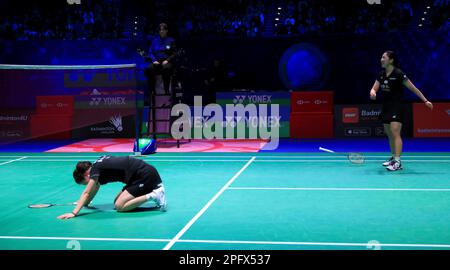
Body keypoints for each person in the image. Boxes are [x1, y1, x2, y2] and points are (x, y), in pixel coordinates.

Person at [369, 50, 433, 171]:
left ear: (391, 60)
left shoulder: (398, 73)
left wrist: (425, 101)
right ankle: (393, 157)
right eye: (381, 57)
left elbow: (413, 88)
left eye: (383, 57)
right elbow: (374, 88)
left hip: (397, 106)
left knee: (395, 132)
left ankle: (398, 162)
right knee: (389, 133)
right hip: (386, 106)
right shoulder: (381, 74)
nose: (381, 59)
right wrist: (372, 92)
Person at [58, 155, 166, 219]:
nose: (87, 185)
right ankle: (152, 190)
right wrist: (84, 203)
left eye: (84, 183)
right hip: (136, 178)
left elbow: (87, 192)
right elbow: (93, 190)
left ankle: (155, 194)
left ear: (85, 175)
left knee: (120, 206)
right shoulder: (96, 166)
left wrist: (74, 213)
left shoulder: (95, 170)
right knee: (116, 201)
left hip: (144, 176)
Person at [143, 23, 177, 98]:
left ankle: (166, 91)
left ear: (166, 31)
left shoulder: (171, 40)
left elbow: (174, 53)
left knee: (166, 69)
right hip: (156, 62)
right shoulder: (154, 41)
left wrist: (167, 60)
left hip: (166, 61)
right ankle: (152, 91)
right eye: (160, 30)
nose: (161, 31)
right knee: (149, 69)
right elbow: (150, 52)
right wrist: (154, 60)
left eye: (163, 30)